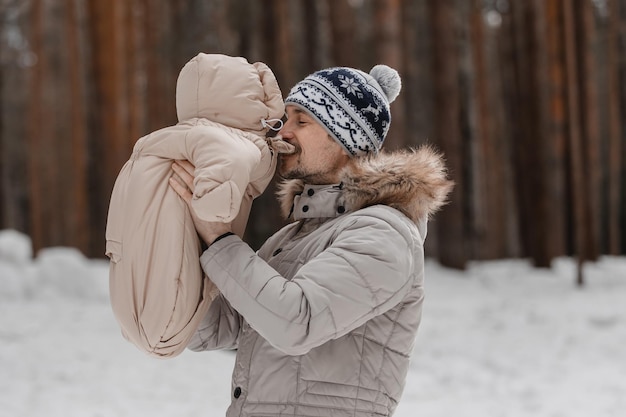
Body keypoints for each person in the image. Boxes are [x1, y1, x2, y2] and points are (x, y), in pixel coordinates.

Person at [170, 64, 453, 416]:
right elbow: (220, 328)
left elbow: (295, 323)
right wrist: (172, 240)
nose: (283, 131)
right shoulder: (291, 237)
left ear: (347, 138)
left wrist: (219, 240)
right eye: (285, 118)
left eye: (301, 121)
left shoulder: (383, 234)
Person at [105, 53, 293, 358]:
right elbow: (215, 204)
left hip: (134, 307)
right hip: (175, 299)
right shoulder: (229, 143)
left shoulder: (158, 142)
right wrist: (217, 210)